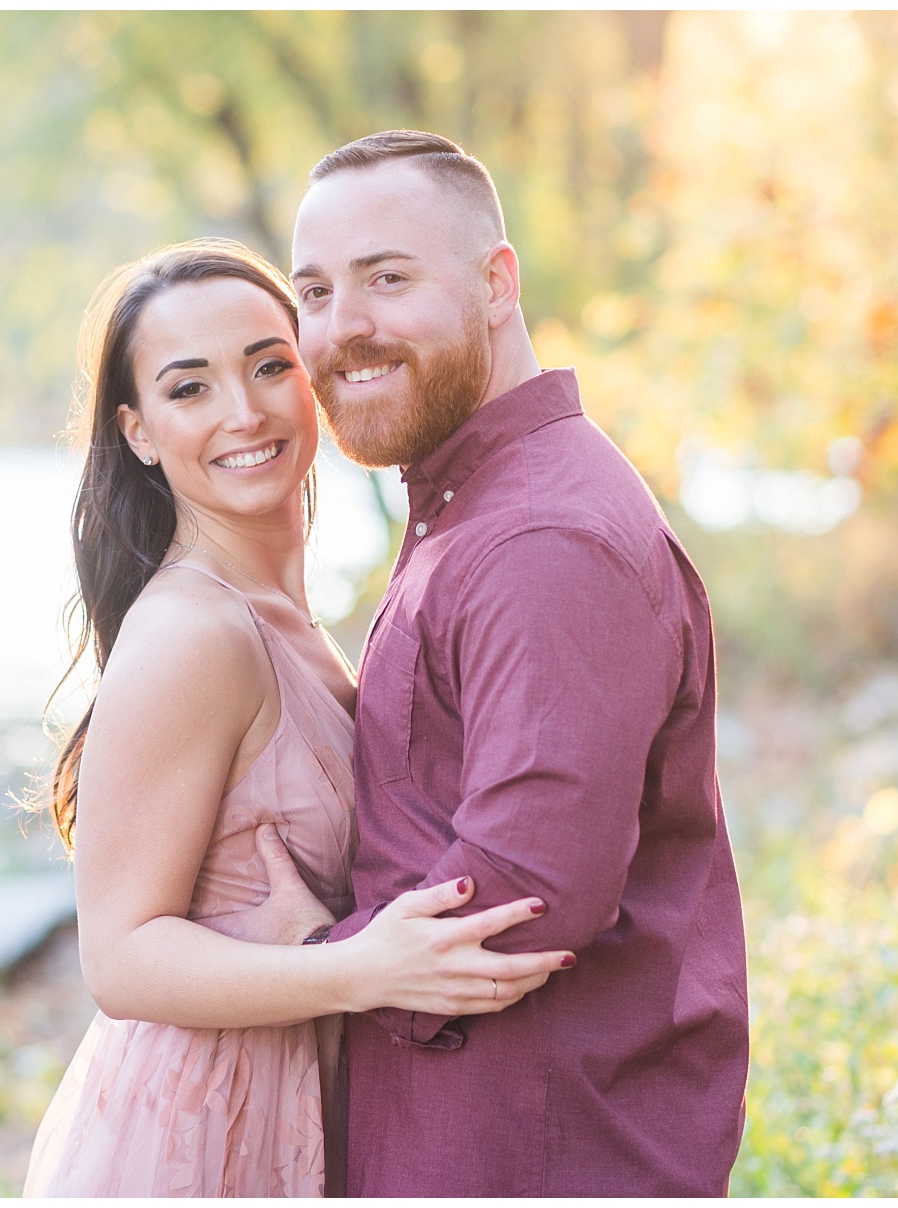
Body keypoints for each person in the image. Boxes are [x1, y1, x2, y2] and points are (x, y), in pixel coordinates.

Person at [20, 238, 575, 1198]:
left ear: (313, 377)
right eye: (189, 389)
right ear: (139, 429)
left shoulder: (285, 620)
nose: (244, 412)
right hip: (200, 1132)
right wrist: (361, 970)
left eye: (270, 365)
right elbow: (119, 957)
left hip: (289, 1107)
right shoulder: (193, 633)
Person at [285, 130, 751, 1196]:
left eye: (387, 278)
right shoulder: (469, 504)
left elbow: (522, 897)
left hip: (530, 1150)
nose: (342, 326)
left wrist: (281, 978)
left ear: (497, 283)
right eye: (314, 291)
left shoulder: (541, 540)